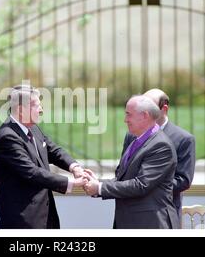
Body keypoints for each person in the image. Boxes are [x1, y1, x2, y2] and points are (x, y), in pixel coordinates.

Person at [0, 84, 88, 229]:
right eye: (37, 106)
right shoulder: (7, 137)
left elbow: (53, 150)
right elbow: (32, 172)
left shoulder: (32, 128)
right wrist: (71, 183)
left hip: (46, 218)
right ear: (21, 109)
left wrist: (74, 167)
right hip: (23, 222)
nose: (41, 110)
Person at [83, 95, 180, 229]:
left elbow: (141, 185)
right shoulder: (137, 140)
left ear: (144, 115)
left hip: (150, 224)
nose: (125, 120)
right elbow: (124, 179)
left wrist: (99, 188)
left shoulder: (161, 145)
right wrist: (98, 183)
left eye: (129, 115)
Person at [123, 89, 196, 221]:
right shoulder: (131, 135)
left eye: (150, 104)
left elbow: (183, 180)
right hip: (130, 212)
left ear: (164, 109)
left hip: (162, 215)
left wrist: (148, 186)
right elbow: (124, 171)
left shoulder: (183, 139)